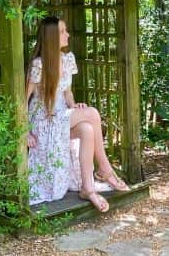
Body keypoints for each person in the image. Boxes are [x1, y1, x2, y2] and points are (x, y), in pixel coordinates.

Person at [26, 15, 129, 212]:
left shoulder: (67, 60)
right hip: (43, 122)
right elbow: (23, 101)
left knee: (87, 129)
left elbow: (67, 92)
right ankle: (105, 169)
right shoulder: (38, 65)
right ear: (52, 37)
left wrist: (75, 106)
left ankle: (87, 188)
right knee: (93, 114)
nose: (68, 35)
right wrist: (25, 132)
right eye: (63, 31)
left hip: (61, 115)